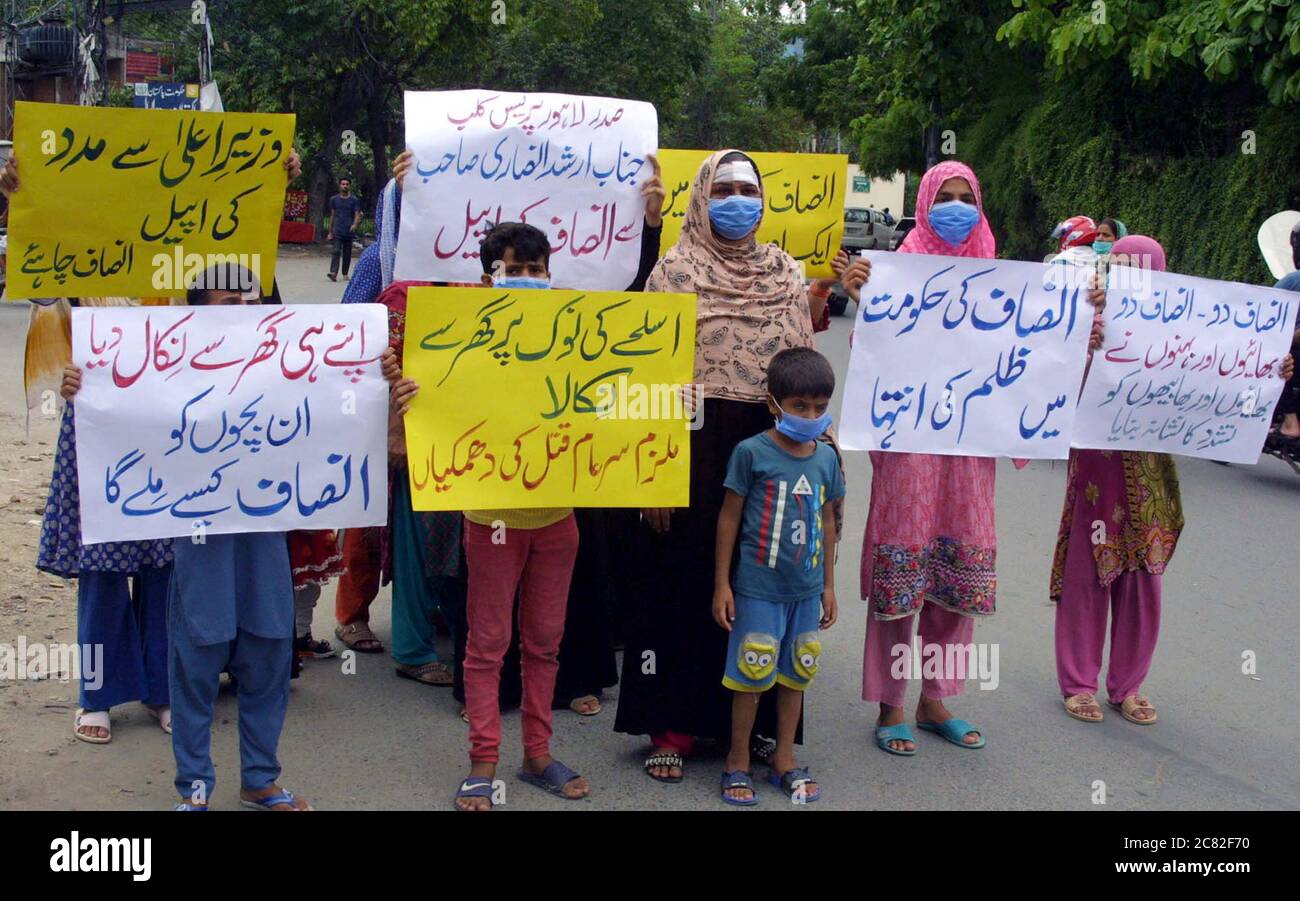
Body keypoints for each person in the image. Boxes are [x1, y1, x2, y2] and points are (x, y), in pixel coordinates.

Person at [614, 149, 837, 784]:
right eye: (726, 188)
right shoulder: (674, 272)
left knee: (764, 585)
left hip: (771, 454)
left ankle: (765, 729)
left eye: (749, 188)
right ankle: (671, 726)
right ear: (703, 196)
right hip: (692, 446)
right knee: (682, 581)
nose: (739, 200)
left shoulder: (786, 273)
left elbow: (805, 370)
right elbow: (650, 378)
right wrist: (652, 475)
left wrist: (816, 448)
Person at [1052, 235, 1294, 725]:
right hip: (1097, 472)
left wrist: (1273, 371)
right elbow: (1049, 380)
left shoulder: (1184, 325)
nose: (1127, 275)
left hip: (1152, 476)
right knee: (1088, 574)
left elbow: (1221, 372)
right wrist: (1082, 341)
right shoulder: (1085, 316)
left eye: (1139, 267)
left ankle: (1128, 685)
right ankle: (1079, 684)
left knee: (1144, 580)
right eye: (1117, 266)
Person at [837, 160, 999, 755]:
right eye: (944, 197)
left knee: (960, 570)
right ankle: (891, 703)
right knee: (902, 572)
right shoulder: (895, 267)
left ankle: (936, 699)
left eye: (967, 197)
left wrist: (1075, 327)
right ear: (926, 201)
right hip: (909, 449)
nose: (956, 208)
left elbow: (1029, 361)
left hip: (969, 451)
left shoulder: (997, 277)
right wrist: (863, 300)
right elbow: (871, 358)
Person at [448, 222, 586, 811]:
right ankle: (483, 763)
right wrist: (405, 394)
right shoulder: (457, 336)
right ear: (488, 277)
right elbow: (438, 400)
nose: (528, 279)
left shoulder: (578, 332)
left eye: (536, 270)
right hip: (491, 515)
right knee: (488, 644)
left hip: (557, 513)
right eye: (515, 269)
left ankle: (536, 755)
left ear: (550, 273)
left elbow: (613, 395)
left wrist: (663, 398)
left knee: (546, 642)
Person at [713, 347, 844, 805]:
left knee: (797, 672)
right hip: (757, 590)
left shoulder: (826, 459)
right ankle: (737, 760)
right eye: (799, 406)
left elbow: (828, 522)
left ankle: (784, 758)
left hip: (806, 592)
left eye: (820, 407)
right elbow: (729, 518)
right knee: (752, 672)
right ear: (775, 404)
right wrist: (722, 585)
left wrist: (829, 586)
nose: (811, 415)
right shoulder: (751, 453)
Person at [326, 177, 362, 282]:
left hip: (349, 230)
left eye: (346, 184)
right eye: (343, 184)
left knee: (347, 253)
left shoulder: (354, 200)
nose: (345, 186)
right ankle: (333, 272)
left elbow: (357, 214)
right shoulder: (334, 199)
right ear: (339, 185)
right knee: (336, 251)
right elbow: (332, 215)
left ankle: (345, 273)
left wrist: (355, 224)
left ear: (349, 186)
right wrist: (330, 232)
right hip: (337, 229)